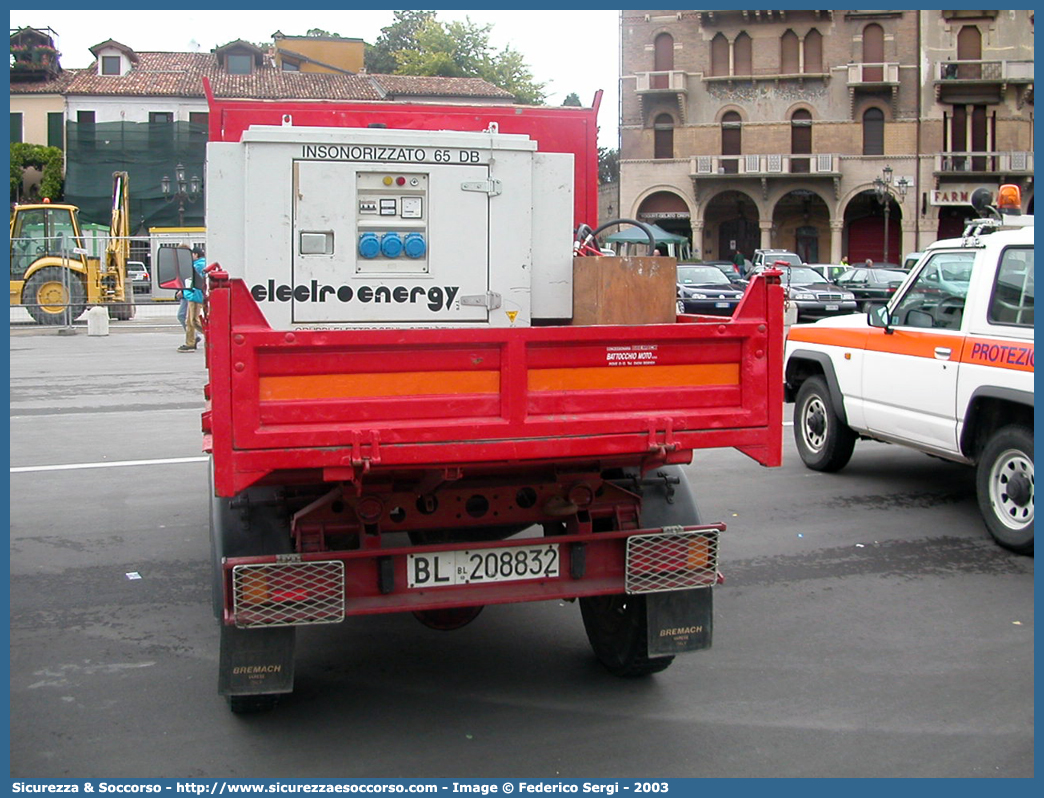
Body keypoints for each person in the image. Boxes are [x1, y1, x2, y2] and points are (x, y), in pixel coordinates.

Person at [178, 245, 207, 353]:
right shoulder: (199, 264)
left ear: (195, 254)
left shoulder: (197, 266)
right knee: (190, 321)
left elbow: (193, 281)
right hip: (194, 294)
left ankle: (211, 335)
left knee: (193, 320)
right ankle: (190, 342)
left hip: (195, 295)